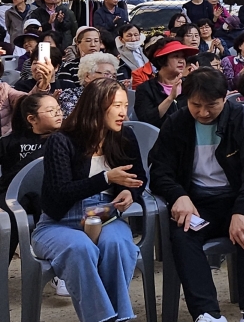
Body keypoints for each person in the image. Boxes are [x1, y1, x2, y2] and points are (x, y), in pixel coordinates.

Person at [149, 68, 244, 322]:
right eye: (196, 105)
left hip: (239, 198)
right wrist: (178, 195)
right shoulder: (177, 123)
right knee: (183, 236)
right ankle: (206, 312)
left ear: (225, 98)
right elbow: (160, 170)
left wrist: (242, 209)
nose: (203, 113)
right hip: (196, 202)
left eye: (211, 106)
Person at [34, 78, 144, 322]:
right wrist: (106, 178)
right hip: (59, 222)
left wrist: (131, 192)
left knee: (119, 244)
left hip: (104, 216)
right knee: (80, 247)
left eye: (125, 105)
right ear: (96, 105)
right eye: (116, 105)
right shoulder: (61, 141)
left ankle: (118, 318)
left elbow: (139, 177)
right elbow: (60, 193)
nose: (123, 112)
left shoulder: (124, 136)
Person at [1, 92, 63, 263]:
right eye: (51, 110)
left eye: (59, 109)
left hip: (48, 196)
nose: (59, 113)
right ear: (32, 118)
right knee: (9, 216)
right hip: (13, 197)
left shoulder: (64, 141)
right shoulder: (10, 143)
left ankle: (57, 267)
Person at [135, 40, 198, 127]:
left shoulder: (190, 83)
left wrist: (200, 81)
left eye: (183, 57)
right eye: (176, 56)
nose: (182, 61)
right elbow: (147, 121)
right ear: (162, 60)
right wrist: (170, 98)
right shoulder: (146, 89)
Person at [58, 52, 120, 118]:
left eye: (114, 76)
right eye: (107, 74)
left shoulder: (114, 97)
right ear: (87, 76)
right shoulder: (70, 95)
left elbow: (126, 122)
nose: (112, 79)